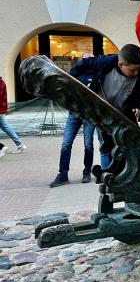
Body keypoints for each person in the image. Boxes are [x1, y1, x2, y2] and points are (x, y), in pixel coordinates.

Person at [68, 44, 140, 169]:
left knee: (131, 142)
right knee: (109, 146)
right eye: (132, 70)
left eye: (139, 69)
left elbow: (137, 93)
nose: (136, 73)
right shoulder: (104, 63)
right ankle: (110, 173)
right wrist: (78, 84)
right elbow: (81, 66)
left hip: (123, 113)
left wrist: (136, 106)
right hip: (101, 112)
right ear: (121, 64)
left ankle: (129, 171)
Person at [49, 53, 98, 188]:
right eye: (85, 59)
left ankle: (87, 172)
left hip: (89, 115)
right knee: (66, 144)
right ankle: (62, 174)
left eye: (91, 58)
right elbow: (67, 80)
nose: (88, 61)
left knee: (88, 144)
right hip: (74, 114)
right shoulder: (76, 74)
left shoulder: (97, 74)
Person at [0, 76, 26, 154]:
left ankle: (3, 147)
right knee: (6, 127)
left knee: (6, 127)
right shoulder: (1, 82)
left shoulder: (0, 83)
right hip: (1, 109)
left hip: (0, 109)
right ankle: (19, 145)